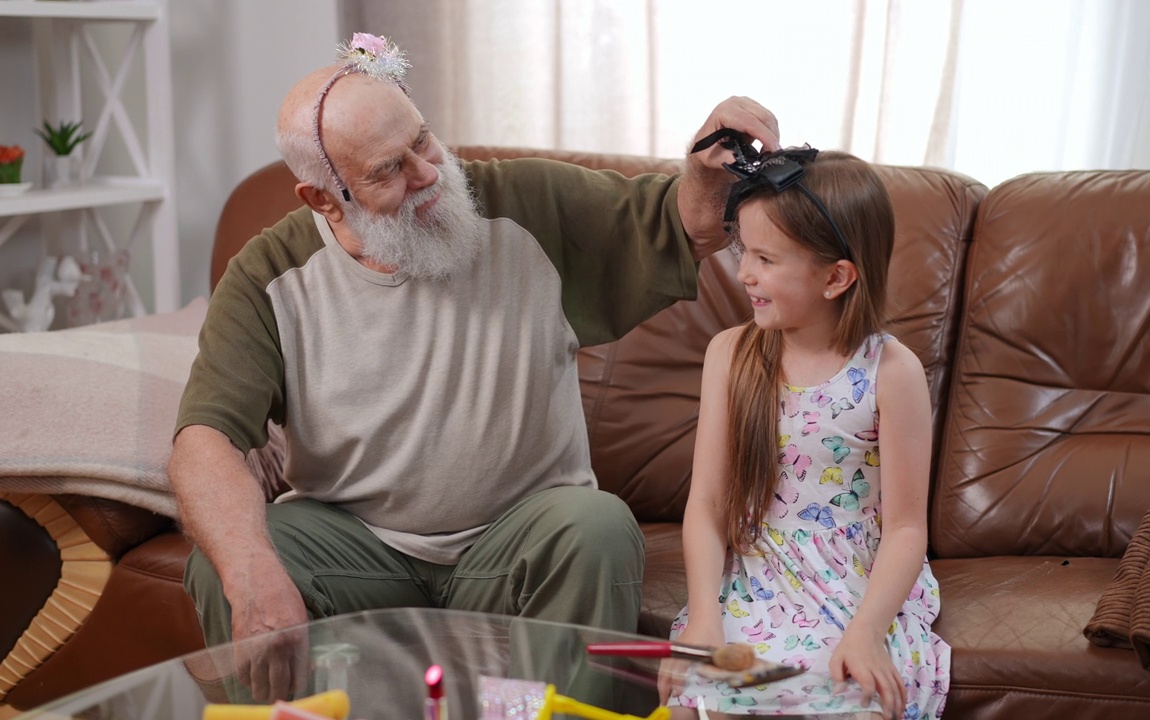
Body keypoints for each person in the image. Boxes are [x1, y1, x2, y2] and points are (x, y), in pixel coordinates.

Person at [168, 33, 780, 703]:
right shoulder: (269, 276)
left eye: (422, 141)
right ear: (323, 199)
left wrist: (706, 173)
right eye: (387, 171)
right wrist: (251, 569)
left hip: (519, 539)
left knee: (597, 529)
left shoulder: (528, 205)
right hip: (357, 545)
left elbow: (678, 224)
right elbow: (205, 438)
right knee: (229, 560)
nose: (427, 173)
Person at [658, 138, 950, 719]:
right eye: (743, 250)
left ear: (836, 278)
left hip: (855, 586)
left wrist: (866, 632)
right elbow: (710, 503)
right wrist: (704, 616)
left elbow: (905, 531)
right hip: (753, 573)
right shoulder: (730, 354)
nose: (743, 272)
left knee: (851, 698)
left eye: (766, 259)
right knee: (699, 695)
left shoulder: (892, 373)